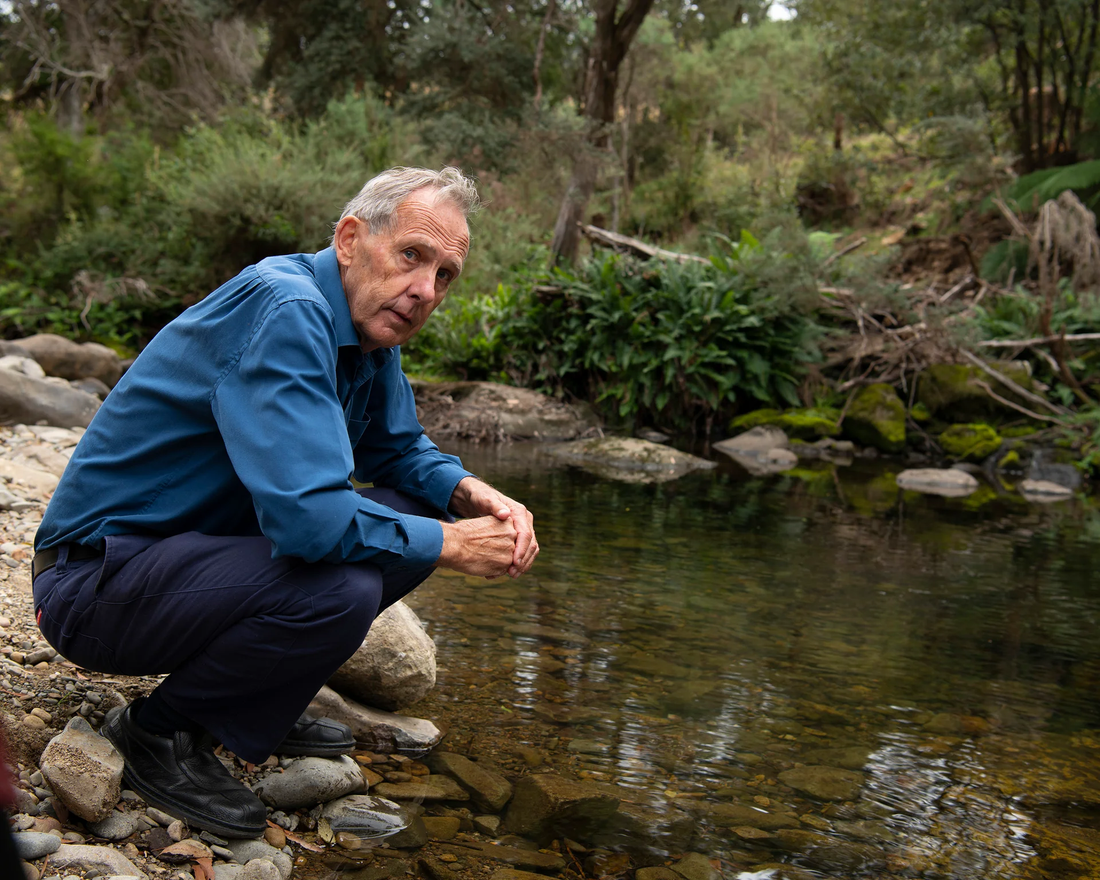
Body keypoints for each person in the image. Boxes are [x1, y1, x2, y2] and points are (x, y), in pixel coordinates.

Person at [30, 166, 538, 839]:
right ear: (351, 238)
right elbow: (309, 521)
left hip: (182, 569)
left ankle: (249, 695)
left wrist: (474, 493)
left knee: (417, 514)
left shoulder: (364, 330)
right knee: (343, 586)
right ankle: (156, 735)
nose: (424, 290)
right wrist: (456, 546)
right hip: (92, 587)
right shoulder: (288, 309)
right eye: (412, 255)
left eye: (445, 275)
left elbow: (400, 450)